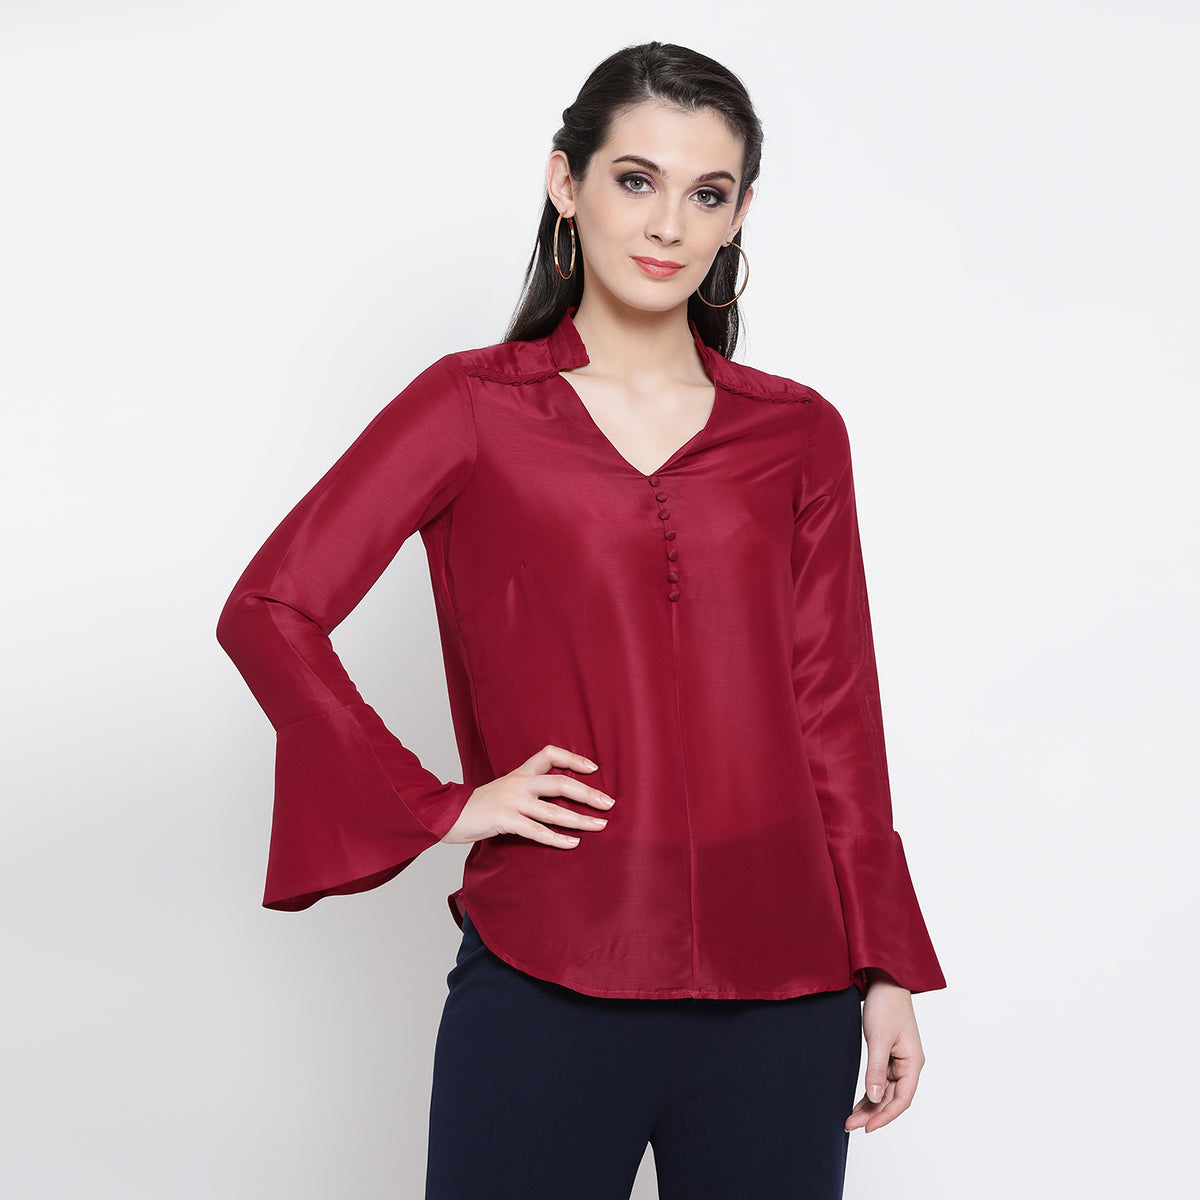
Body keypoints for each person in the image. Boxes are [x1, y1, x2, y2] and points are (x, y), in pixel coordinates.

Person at [216, 40, 947, 1200]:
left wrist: (885, 963)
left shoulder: (800, 434)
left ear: (740, 215)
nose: (667, 225)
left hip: (786, 996)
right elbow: (270, 607)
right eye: (636, 179)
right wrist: (441, 802)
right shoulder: (471, 406)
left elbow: (834, 711)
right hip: (547, 971)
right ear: (567, 181)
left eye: (706, 193)